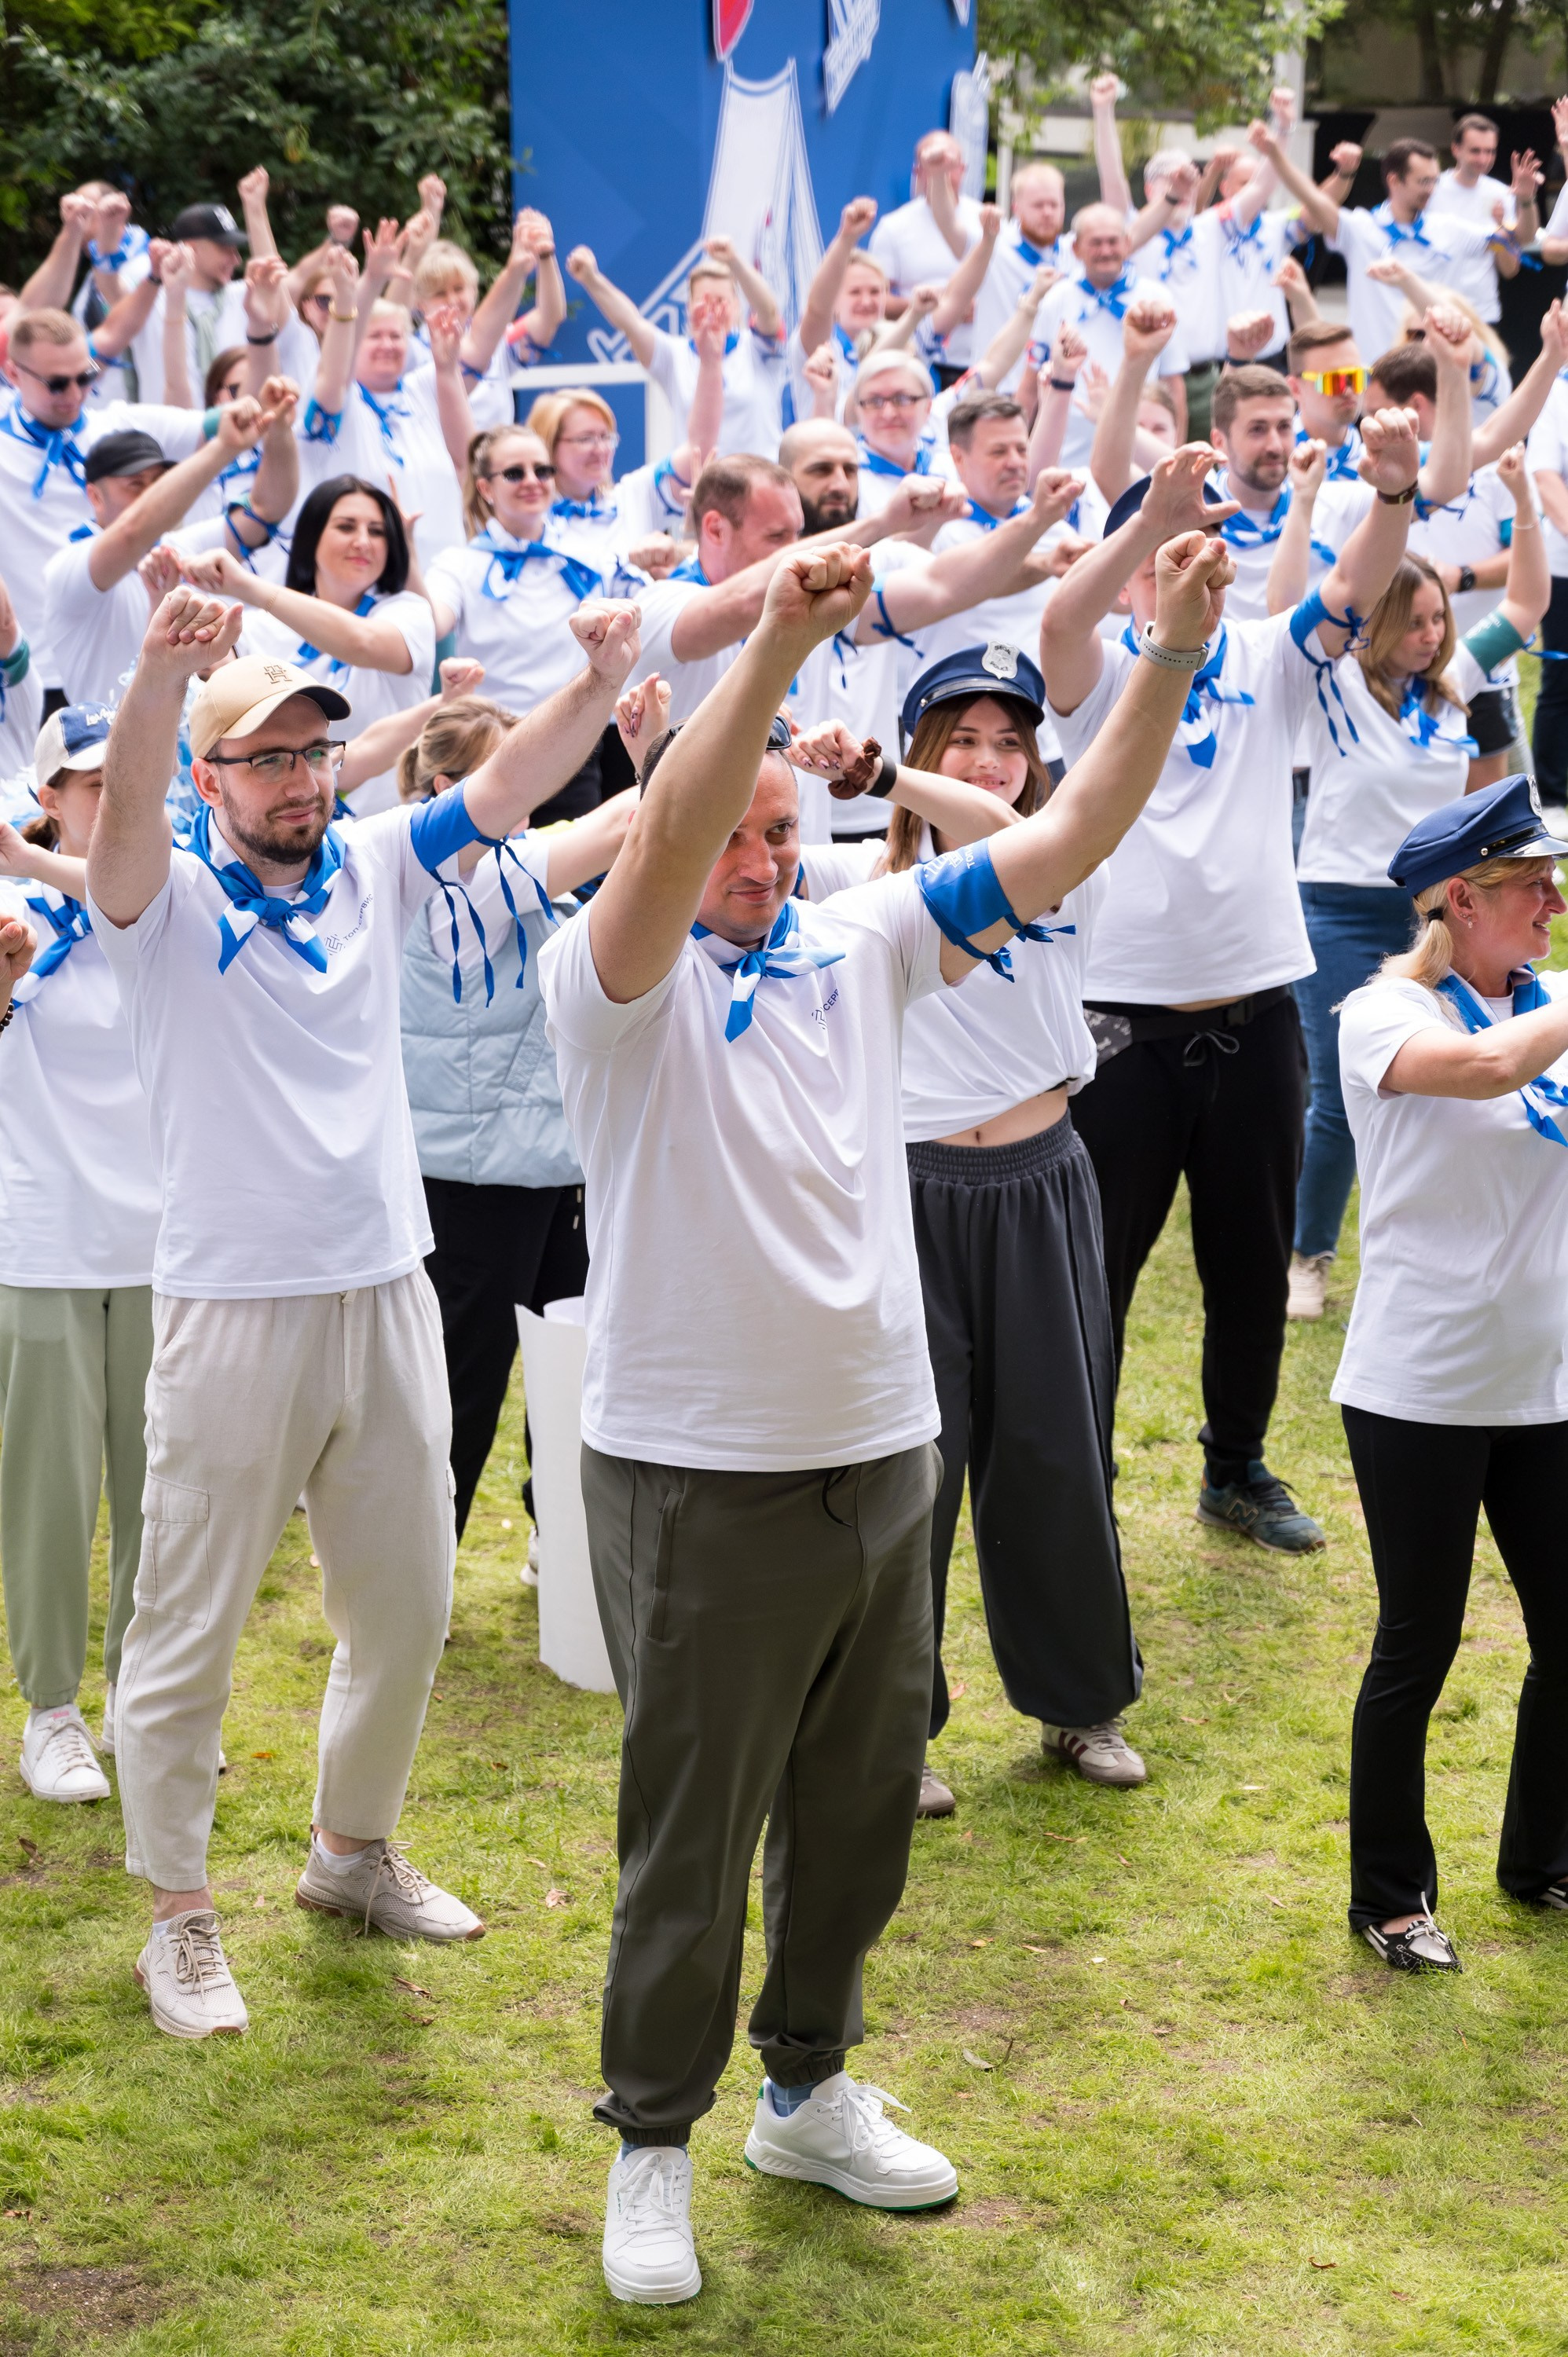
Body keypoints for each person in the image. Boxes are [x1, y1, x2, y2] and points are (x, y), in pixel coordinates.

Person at [537, 522, 1233, 2307]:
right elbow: (675, 833)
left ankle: (807, 2082)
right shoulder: (613, 984)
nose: (759, 859)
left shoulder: (862, 935)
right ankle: (651, 2137)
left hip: (877, 1447)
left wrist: (1162, 654)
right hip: (696, 1470)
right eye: (731, 833)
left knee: (851, 1820)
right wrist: (770, 645)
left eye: (786, 831)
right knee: (689, 1836)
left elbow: (1065, 836)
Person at [85, 587, 642, 2040]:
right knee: (184, 1624)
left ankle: (350, 1853)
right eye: (264, 759)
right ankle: (181, 1914)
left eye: (312, 753)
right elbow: (124, 822)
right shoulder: (165, 899)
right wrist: (156, 673)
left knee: (409, 1602)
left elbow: (507, 787)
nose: (296, 779)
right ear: (212, 779)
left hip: (387, 1284)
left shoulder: (376, 864)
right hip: (231, 1305)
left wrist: (595, 685)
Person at [1040, 419, 1423, 1552]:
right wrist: (1149, 530)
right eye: (1174, 555)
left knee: (1251, 1266)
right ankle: (1081, 1482)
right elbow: (1059, 616)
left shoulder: (1262, 656)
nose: (1203, 566)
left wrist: (1393, 491)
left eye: (1212, 551)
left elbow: (1355, 588)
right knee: (1095, 1276)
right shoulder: (1098, 670)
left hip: (1257, 1014)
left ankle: (1238, 1468)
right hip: (1121, 1027)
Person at [789, 651, 1145, 1817]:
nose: (994, 762)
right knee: (908, 1469)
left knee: (1057, 1447)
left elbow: (998, 834)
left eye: (1013, 742)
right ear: (924, 748)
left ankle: (1080, 1700)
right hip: (910, 1189)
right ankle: (898, 1720)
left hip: (1042, 1182)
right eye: (966, 739)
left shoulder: (1063, 864)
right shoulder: (855, 883)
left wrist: (888, 771)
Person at [1334, 775, 1568, 1972]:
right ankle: (1391, 1897)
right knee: (1418, 1644)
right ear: (1461, 901)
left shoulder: (1557, 1001)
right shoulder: (1382, 1013)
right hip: (1419, 1389)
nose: (1555, 901)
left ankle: (1544, 1860)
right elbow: (1480, 1074)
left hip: (1546, 1385)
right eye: (1533, 884)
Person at [1273, 442, 1548, 1321]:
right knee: (1334, 1097)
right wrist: (1305, 507)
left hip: (1432, 914)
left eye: (1439, 619)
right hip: (1335, 908)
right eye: (1417, 619)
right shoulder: (1335, 689)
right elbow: (1285, 607)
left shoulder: (1452, 694)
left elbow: (1527, 605)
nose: (1433, 634)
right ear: (1381, 621)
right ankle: (1309, 1258)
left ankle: (1448, 1237)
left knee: (1456, 1065)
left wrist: (1521, 502)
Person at [397, 689, 635, 1541]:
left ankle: (562, 1547)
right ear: (446, 784)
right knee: (459, 1395)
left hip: (551, 1170)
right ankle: (415, 1575)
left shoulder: (509, 858)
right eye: (514, 771)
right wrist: (720, 746)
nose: (528, 793)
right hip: (474, 1183)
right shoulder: (452, 874)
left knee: (574, 1377)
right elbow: (613, 830)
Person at [0, 706, 159, 1804]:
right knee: (49, 1491)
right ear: (49, 797)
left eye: (123, 781)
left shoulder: (164, 901)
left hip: (167, 1243)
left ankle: (146, 1696)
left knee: (169, 1490)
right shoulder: (9, 908)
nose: (108, 800)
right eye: (87, 785)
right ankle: (50, 1708)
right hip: (42, 1233)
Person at [177, 474, 436, 816]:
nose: (363, 542)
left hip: (397, 829)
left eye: (377, 531)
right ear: (312, 536)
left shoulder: (410, 611)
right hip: (294, 827)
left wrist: (244, 586)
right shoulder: (258, 627)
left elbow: (362, 643)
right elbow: (215, 678)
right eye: (346, 527)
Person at [0, 307, 221, 693]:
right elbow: (130, 533)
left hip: (111, 668)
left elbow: (219, 424)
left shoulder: (117, 423)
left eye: (85, 377)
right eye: (56, 383)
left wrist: (257, 406)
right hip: (30, 671)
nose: (74, 394)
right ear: (14, 374)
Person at [426, 424, 633, 822]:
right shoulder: (460, 564)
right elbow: (431, 622)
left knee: (579, 880)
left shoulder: (588, 555)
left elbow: (648, 601)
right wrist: (407, 561)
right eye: (514, 473)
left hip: (575, 746)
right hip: (491, 751)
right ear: (486, 488)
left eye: (542, 470)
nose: (532, 481)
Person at [42, 395, 298, 709]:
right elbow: (131, 533)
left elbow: (266, 510)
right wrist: (224, 448)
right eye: (136, 484)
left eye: (160, 482)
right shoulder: (70, 568)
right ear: (95, 496)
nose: (153, 494)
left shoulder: (180, 546)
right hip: (108, 750)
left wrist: (279, 429)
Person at [1251, 126, 1519, 369]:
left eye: (1435, 180)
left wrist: (1526, 202)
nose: (1432, 189)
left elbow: (1515, 239)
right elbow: (1310, 198)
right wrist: (1275, 154)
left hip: (1430, 373)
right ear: (1394, 181)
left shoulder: (1449, 229)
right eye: (1423, 181)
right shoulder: (1362, 228)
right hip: (1373, 373)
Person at [565, 243, 788, 459]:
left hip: (762, 483)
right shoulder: (673, 355)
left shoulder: (758, 348)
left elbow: (769, 311)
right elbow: (630, 323)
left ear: (738, 305)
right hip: (702, 487)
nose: (713, 309)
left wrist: (735, 262)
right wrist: (590, 278)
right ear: (689, 307)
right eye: (704, 301)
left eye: (721, 301)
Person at [1031, 207, 1188, 467]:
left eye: (1113, 241)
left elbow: (1174, 385)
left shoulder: (1158, 298)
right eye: (1096, 243)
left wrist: (1175, 458)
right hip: (1069, 452)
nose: (1106, 251)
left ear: (1127, 244)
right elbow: (1030, 381)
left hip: (1138, 447)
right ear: (1076, 249)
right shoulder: (1056, 299)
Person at [869, 131, 986, 377]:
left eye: (950, 165)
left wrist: (982, 307)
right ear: (917, 171)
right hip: (915, 361)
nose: (942, 172)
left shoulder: (985, 222)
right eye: (933, 164)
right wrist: (937, 308)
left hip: (978, 362)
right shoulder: (893, 228)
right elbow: (876, 300)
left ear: (963, 170)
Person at [1426, 115, 1542, 331]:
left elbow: (1510, 269)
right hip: (1432, 311)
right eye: (1475, 151)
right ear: (1455, 150)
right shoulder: (1431, 190)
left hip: (1482, 313)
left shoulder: (1501, 194)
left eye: (1490, 151)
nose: (1484, 159)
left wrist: (1501, 228)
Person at [126, 204, 251, 407]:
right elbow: (111, 292)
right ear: (191, 247)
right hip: (165, 434)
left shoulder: (243, 296)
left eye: (236, 250)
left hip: (233, 431)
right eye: (225, 248)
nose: (236, 259)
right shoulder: (151, 299)